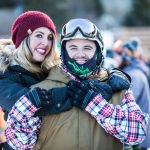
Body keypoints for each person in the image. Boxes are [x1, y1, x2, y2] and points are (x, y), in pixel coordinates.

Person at [5, 19, 149, 150]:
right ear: (64, 53)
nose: (80, 54)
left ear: (98, 52)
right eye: (73, 48)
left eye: (87, 48)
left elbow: (139, 132)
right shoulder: (43, 89)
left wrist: (96, 105)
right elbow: (20, 143)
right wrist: (25, 107)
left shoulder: (116, 87)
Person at [0, 11, 75, 149]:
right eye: (39, 35)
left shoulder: (52, 69)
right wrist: (76, 94)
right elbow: (29, 102)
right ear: (23, 38)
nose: (46, 43)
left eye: (50, 37)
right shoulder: (4, 74)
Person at [113, 38, 150, 150]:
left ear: (126, 57)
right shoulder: (133, 71)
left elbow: (123, 103)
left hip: (137, 141)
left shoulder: (133, 75)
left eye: (119, 54)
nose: (116, 57)